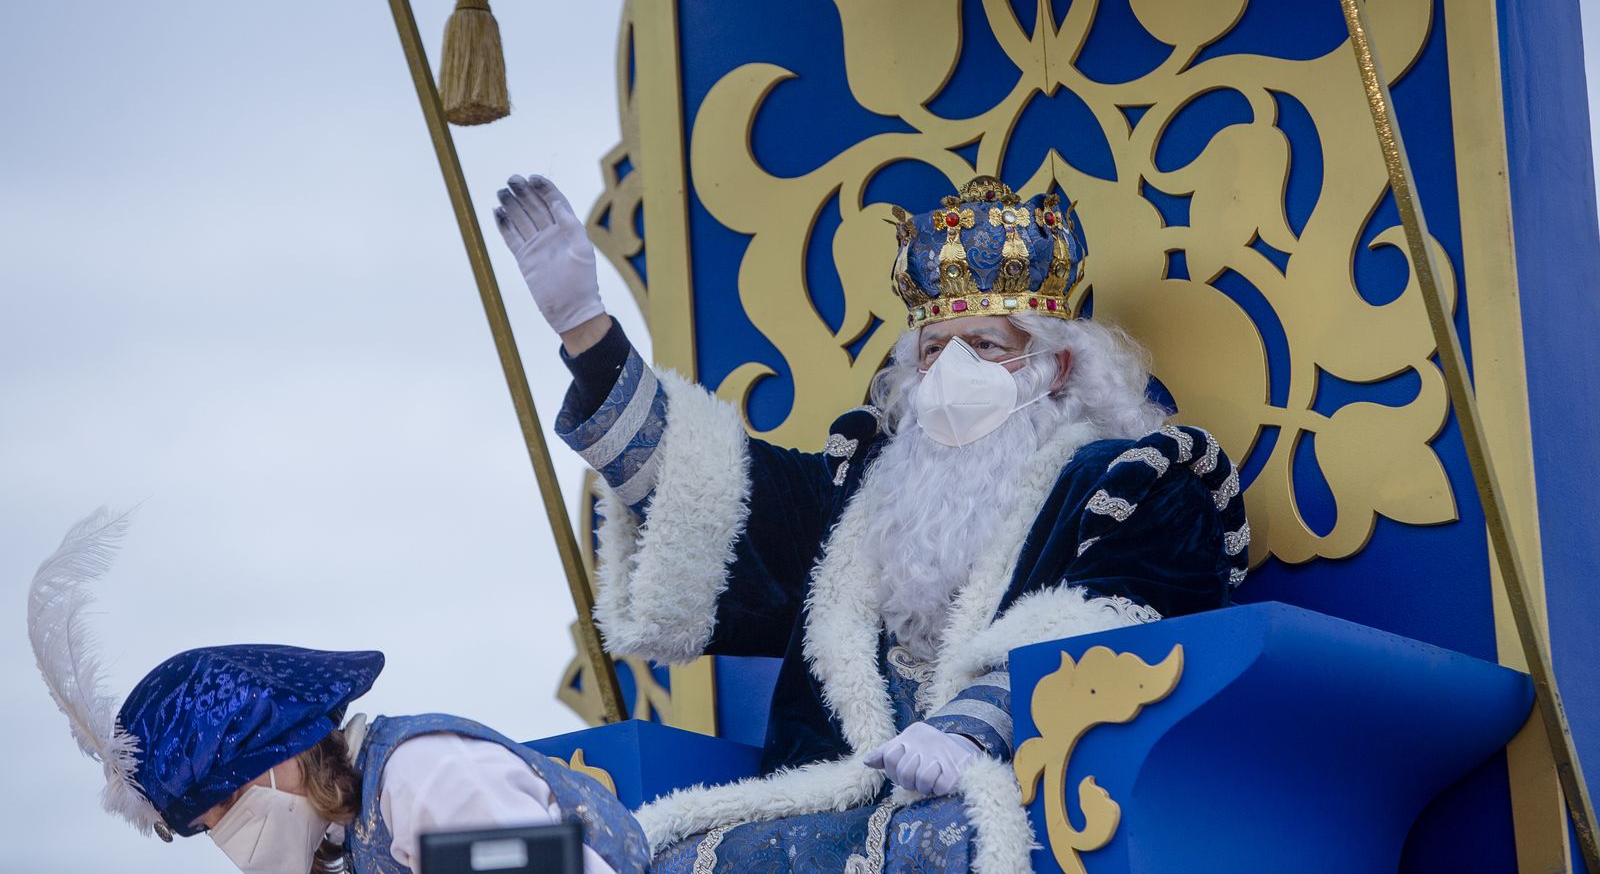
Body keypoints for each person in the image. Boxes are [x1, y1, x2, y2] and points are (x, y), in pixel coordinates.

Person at [493, 173, 1250, 871]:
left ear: (1053, 368)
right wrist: (586, 330)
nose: (953, 373)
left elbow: (1123, 625)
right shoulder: (855, 492)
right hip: (829, 798)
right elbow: (703, 494)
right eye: (934, 352)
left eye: (984, 346)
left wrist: (971, 724)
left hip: (1020, 793)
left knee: (936, 841)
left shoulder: (1132, 480)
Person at [27, 510, 651, 874]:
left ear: (268, 753)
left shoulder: (420, 776)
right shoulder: (352, 834)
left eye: (221, 811)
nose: (226, 840)